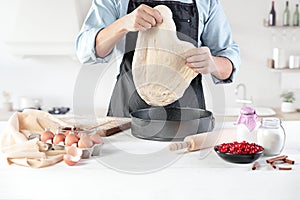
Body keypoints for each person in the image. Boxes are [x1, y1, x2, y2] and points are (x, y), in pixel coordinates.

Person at [76, 0, 240, 117]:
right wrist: (123, 24)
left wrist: (213, 64)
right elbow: (84, 50)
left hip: (186, 119)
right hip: (127, 116)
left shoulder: (207, 2)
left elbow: (228, 61)